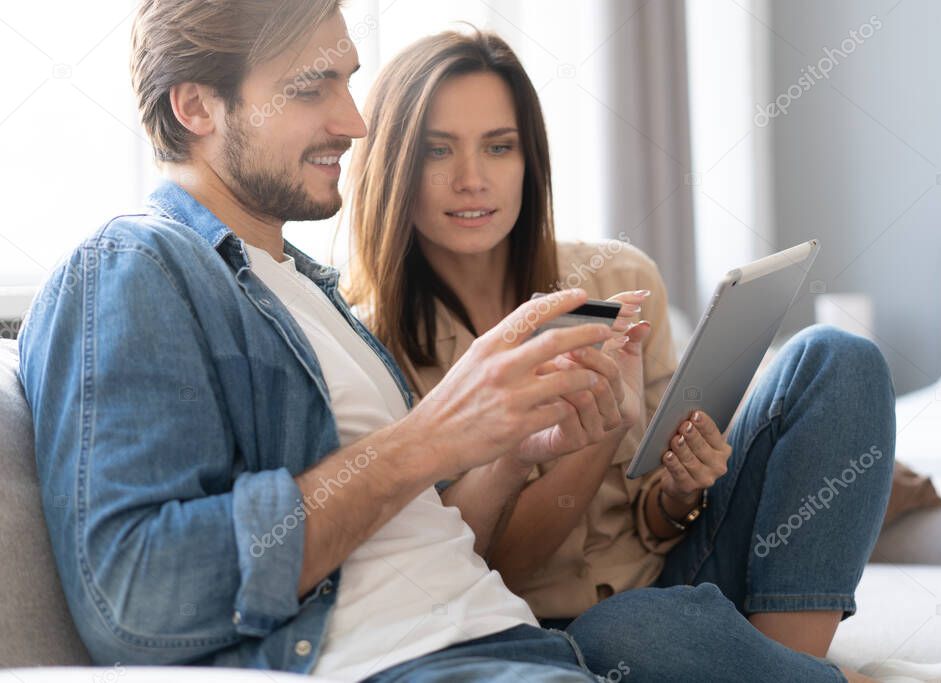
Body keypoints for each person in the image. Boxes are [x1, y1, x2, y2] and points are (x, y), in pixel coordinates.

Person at [17, 2, 638, 681]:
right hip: (422, 665)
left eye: (347, 82)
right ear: (197, 106)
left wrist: (508, 453)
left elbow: (420, 538)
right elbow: (136, 596)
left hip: (527, 643)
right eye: (312, 89)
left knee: (781, 379)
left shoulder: (312, 294)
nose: (355, 123)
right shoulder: (131, 265)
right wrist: (428, 435)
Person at [345, 28, 900, 682]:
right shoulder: (366, 345)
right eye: (439, 150)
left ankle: (789, 668)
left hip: (674, 578)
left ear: (531, 161)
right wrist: (581, 440)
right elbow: (479, 569)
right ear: (393, 164)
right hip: (548, 625)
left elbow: (658, 517)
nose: (472, 179)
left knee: (838, 358)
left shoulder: (615, 275)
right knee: (625, 633)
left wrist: (681, 487)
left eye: (499, 147)